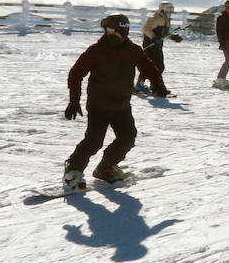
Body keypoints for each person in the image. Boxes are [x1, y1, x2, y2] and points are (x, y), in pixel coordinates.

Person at [62, 14, 170, 193]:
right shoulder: (96, 51)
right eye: (118, 32)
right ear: (109, 31)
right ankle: (73, 170)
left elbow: (148, 66)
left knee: (128, 138)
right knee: (93, 142)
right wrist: (74, 101)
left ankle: (105, 167)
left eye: (124, 32)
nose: (122, 36)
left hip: (121, 105)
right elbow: (75, 74)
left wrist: (158, 83)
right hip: (99, 105)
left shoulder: (132, 50)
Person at [137, 1, 180, 94]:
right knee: (148, 65)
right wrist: (153, 37)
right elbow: (146, 29)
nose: (170, 14)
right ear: (162, 10)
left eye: (171, 12)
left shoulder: (166, 20)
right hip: (150, 45)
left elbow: (164, 34)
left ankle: (155, 85)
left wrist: (173, 37)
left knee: (159, 66)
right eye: (168, 12)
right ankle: (139, 85)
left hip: (158, 46)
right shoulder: (155, 18)